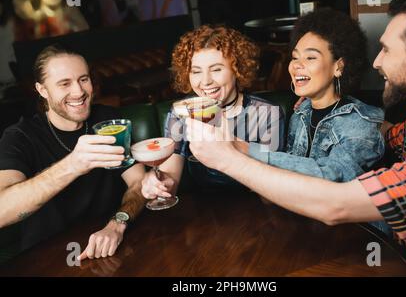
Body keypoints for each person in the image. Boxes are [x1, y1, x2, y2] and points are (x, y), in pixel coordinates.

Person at [185, 0, 406, 277]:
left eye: (386, 50)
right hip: (329, 246)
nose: (377, 62)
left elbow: (336, 202)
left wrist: (232, 154)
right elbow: (384, 136)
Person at [0, 45, 147, 260]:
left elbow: (139, 182)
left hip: (111, 247)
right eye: (64, 83)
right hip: (47, 259)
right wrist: (73, 165)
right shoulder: (20, 137)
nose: (79, 92)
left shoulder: (107, 121)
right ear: (42, 90)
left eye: (83, 79)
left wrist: (117, 224)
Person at [141, 25, 285, 199]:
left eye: (216, 69)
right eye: (196, 71)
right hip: (204, 212)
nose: (205, 81)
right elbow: (170, 179)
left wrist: (231, 149)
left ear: (237, 69)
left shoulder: (267, 114)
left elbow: (271, 193)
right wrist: (158, 183)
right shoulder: (181, 114)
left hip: (257, 209)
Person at [244, 8, 385, 182]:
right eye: (295, 57)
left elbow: (334, 175)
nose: (296, 65)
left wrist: (247, 151)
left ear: (338, 67)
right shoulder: (301, 113)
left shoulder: (358, 122)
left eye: (310, 58)